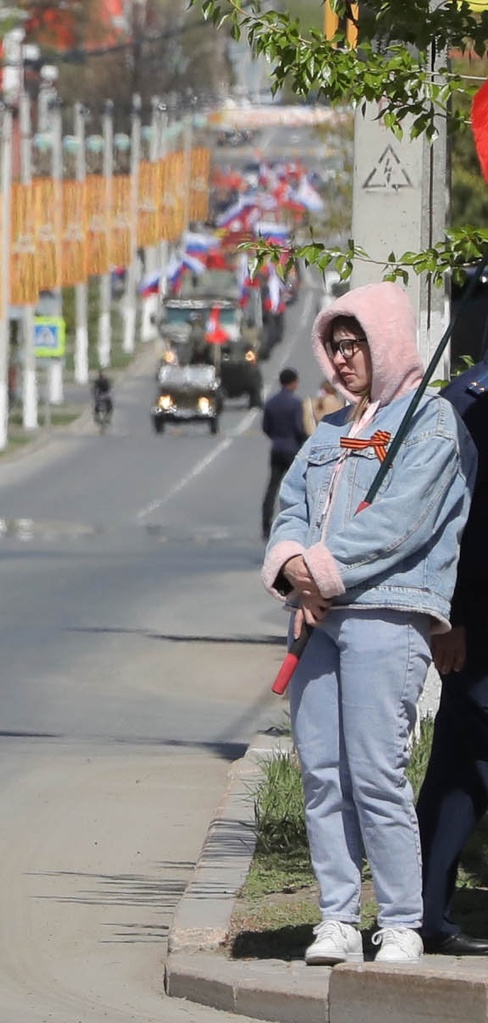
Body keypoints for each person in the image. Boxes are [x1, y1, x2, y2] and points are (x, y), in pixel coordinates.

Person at [262, 281, 475, 967]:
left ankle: (404, 920)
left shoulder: (431, 423)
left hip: (387, 613)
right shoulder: (327, 431)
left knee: (376, 771)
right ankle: (336, 918)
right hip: (317, 621)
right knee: (323, 773)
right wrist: (291, 563)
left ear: (385, 342)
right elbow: (290, 505)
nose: (344, 357)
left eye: (355, 344)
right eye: (335, 345)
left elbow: (401, 523)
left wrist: (316, 570)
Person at [416, 353, 488, 956]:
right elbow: (450, 525)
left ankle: (427, 913)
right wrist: (452, 618)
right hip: (480, 621)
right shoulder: (465, 403)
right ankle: (425, 913)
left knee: (467, 767)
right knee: (461, 766)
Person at [261, 367, 308, 540]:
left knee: (272, 486)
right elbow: (298, 427)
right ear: (294, 382)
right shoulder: (296, 403)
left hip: (276, 448)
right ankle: (295, 523)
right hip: (292, 449)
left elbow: (265, 427)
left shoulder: (271, 402)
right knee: (296, 487)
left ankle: (265, 524)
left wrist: (276, 437)